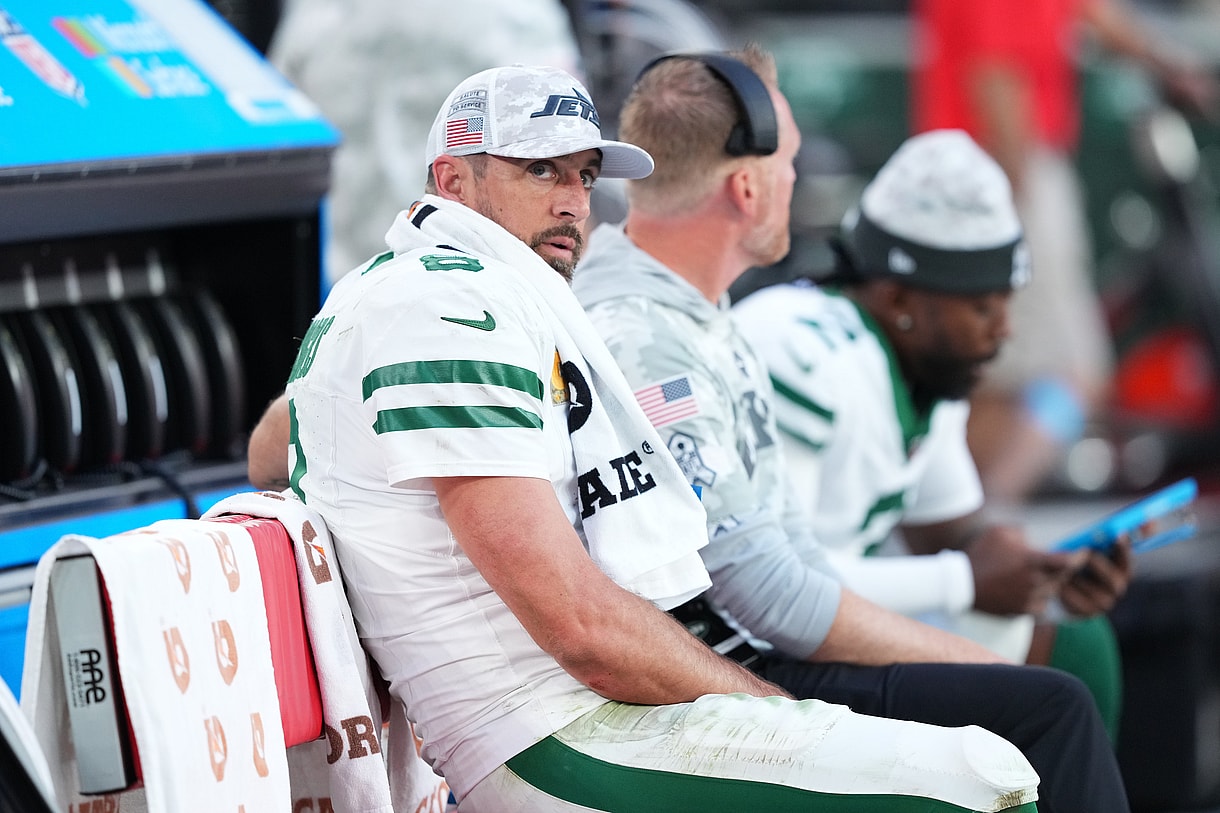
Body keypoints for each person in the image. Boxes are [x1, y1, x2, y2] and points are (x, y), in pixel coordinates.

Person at [272, 63, 1043, 811]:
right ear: (453, 183)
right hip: (547, 736)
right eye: (540, 172)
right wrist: (769, 706)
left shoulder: (399, 293)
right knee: (978, 777)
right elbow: (583, 628)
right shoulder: (448, 307)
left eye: (583, 175)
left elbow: (273, 442)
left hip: (566, 712)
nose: (574, 203)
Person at [572, 49, 1129, 812]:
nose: (798, 179)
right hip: (705, 683)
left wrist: (1011, 603)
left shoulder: (694, 314)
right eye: (791, 160)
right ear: (746, 186)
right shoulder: (648, 336)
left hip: (741, 653)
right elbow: (770, 594)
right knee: (1046, 706)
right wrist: (971, 656)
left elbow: (798, 558)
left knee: (1050, 687)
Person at [734, 129, 1133, 741]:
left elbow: (953, 532)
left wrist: (1046, 573)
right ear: (898, 296)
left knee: (1072, 640)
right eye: (983, 307)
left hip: (825, 631)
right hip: (749, 658)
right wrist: (971, 579)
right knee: (1047, 692)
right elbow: (777, 589)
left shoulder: (920, 365)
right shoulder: (802, 351)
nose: (1003, 332)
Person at [911, 0, 1219, 502]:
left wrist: (1169, 64)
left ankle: (971, 521)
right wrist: (1008, 202)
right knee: (1051, 374)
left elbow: (1091, 11)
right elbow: (994, 72)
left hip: (1011, 164)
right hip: (1001, 166)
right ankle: (978, 521)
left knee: (1015, 372)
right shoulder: (1004, 177)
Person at [268, 0, 582, 285]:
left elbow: (274, 141)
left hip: (338, 282)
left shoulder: (315, 13)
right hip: (472, 288)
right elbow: (563, 148)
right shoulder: (516, 15)